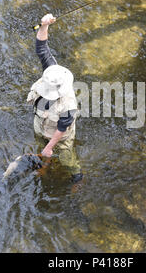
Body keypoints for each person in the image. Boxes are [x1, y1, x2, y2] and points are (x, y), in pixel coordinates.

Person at [27, 13, 83, 183]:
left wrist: (50, 146)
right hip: (41, 126)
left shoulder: (68, 106)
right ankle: (45, 164)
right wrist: (44, 25)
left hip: (60, 135)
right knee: (42, 150)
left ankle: (78, 179)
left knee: (67, 159)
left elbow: (62, 127)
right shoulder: (52, 71)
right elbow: (42, 47)